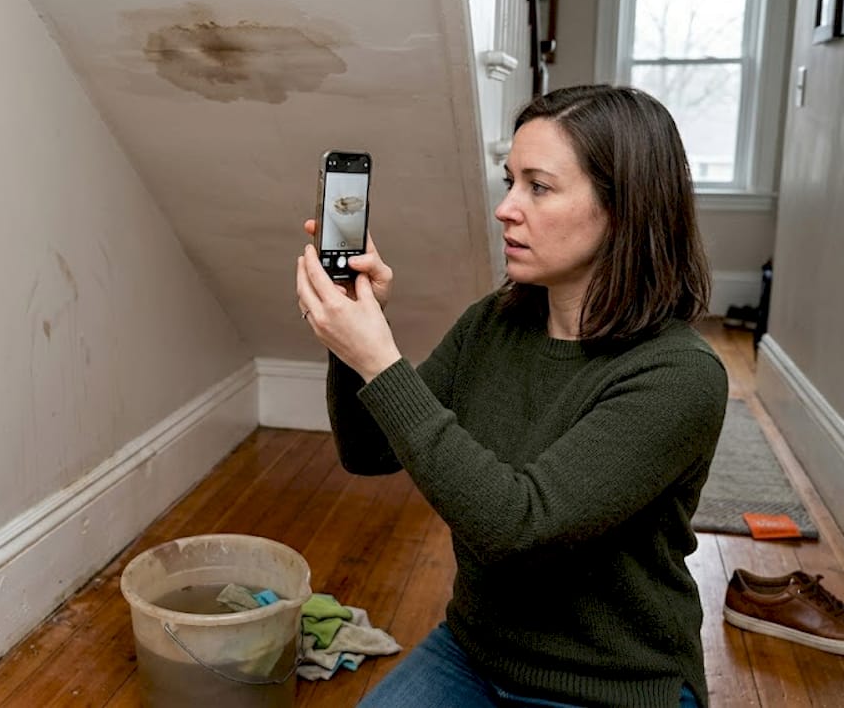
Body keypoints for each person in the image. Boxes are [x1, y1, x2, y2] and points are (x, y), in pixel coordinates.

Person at [295, 85, 728, 708]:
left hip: (612, 686)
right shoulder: (494, 323)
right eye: (509, 181)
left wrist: (379, 357)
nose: (505, 208)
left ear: (624, 208)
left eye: (539, 186)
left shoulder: (678, 376)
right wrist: (349, 334)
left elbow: (519, 528)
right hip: (476, 653)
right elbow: (368, 451)